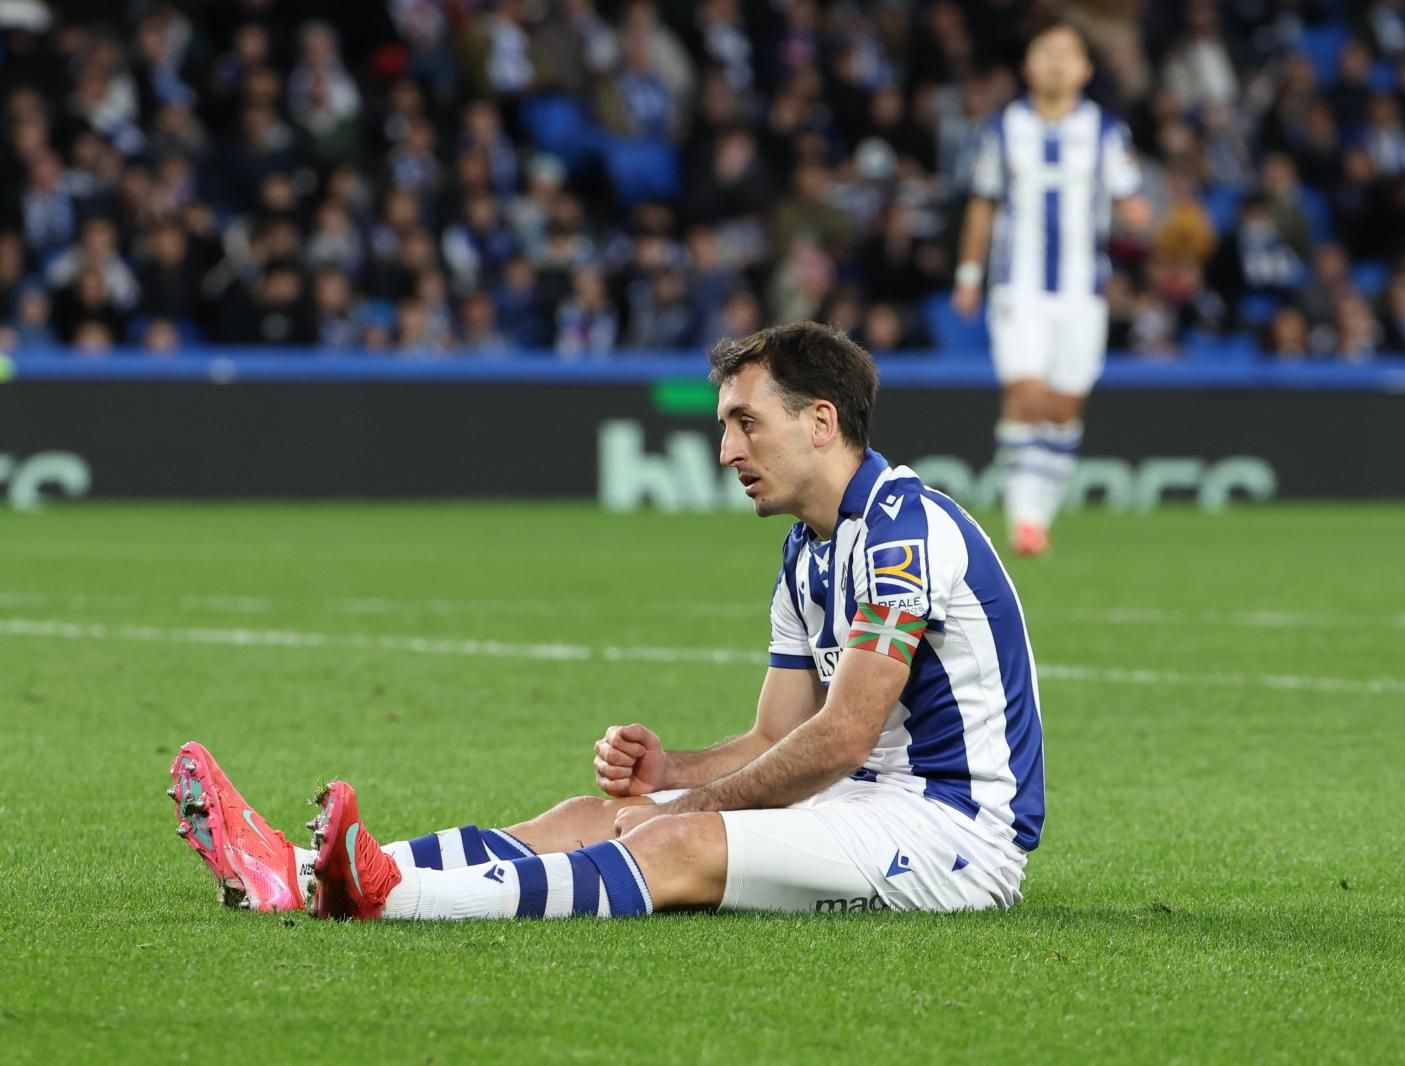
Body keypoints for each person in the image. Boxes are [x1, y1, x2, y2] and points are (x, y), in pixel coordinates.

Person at [169, 321, 1045, 920]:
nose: (727, 449)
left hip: (954, 834)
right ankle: (298, 873)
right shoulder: (807, 552)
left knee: (673, 839)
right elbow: (777, 737)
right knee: (593, 811)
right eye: (724, 425)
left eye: (746, 422)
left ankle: (387, 894)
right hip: (865, 803)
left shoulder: (903, 529)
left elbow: (844, 735)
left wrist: (692, 801)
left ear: (820, 422)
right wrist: (675, 768)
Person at [952, 20, 1150, 556]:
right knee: (1025, 393)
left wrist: (1140, 215)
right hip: (1020, 289)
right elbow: (982, 203)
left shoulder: (1106, 131)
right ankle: (1025, 518)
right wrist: (969, 274)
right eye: (1046, 52)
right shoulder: (1002, 128)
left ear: (1085, 70)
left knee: (1063, 408)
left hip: (1083, 293)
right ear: (1028, 66)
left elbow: (1131, 198)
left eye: (1067, 54)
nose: (1057, 63)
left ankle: (1040, 509)